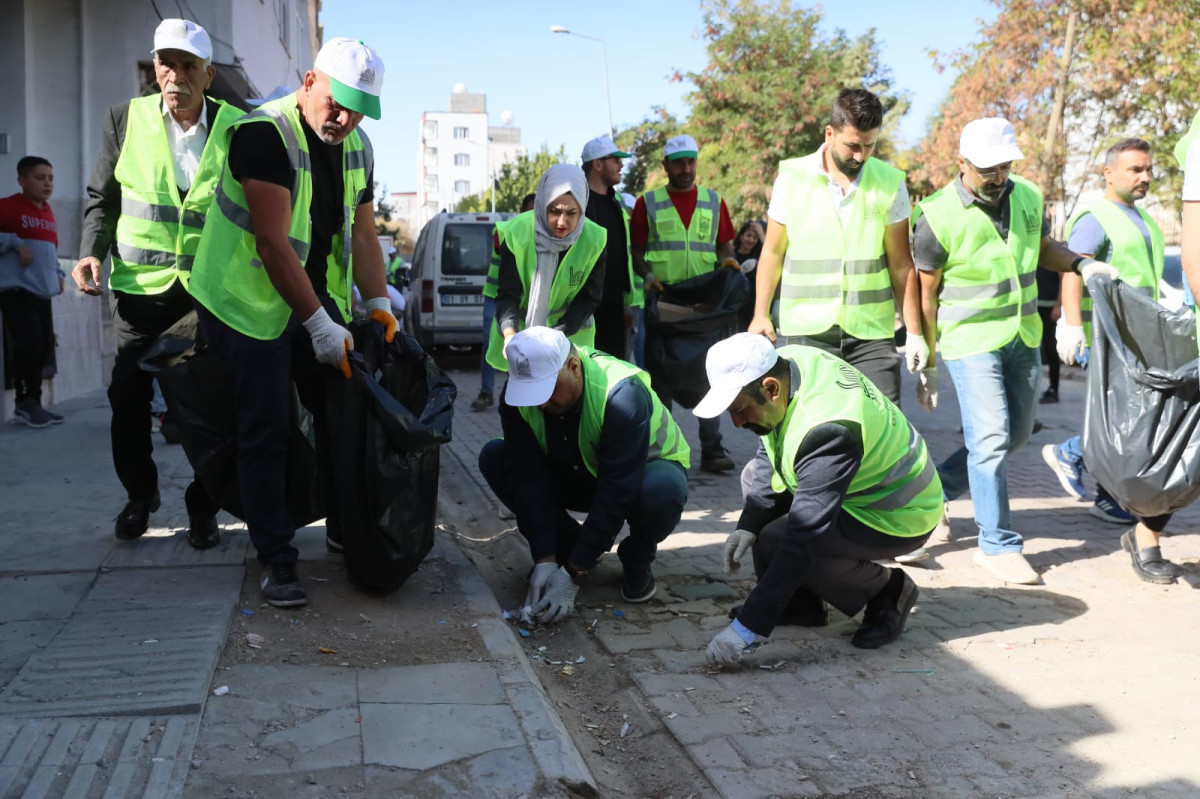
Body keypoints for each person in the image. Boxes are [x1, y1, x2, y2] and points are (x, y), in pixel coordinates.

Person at [187, 37, 392, 607]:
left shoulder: (359, 147)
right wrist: (321, 328)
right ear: (309, 82)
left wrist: (377, 304)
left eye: (358, 109)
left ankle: (343, 529)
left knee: (339, 414)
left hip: (311, 293)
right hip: (245, 301)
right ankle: (277, 559)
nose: (345, 118)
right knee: (266, 428)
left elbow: (365, 232)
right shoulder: (264, 133)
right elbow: (274, 244)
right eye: (336, 102)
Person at [911, 117, 1119, 585]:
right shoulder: (936, 215)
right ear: (961, 163)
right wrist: (926, 350)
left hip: (1022, 336)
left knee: (1015, 436)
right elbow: (924, 291)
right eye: (988, 169)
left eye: (1005, 166)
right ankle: (997, 544)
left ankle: (932, 493)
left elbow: (1044, 248)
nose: (998, 177)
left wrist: (1082, 264)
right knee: (988, 439)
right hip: (969, 342)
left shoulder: (1026, 194)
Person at [72, 19, 242, 548]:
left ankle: (203, 504)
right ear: (154, 67)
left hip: (207, 295)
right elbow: (103, 199)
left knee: (209, 409)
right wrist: (89, 253)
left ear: (208, 75)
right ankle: (140, 496)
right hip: (139, 294)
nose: (174, 75)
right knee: (127, 400)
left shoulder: (239, 127)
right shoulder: (125, 119)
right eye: (166, 63)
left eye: (188, 65)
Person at [694, 333, 941, 664]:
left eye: (739, 410)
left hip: (898, 510)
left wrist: (748, 629)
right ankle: (800, 602)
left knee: (779, 540)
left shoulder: (828, 428)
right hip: (861, 490)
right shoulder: (789, 361)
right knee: (754, 476)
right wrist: (748, 524)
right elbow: (772, 446)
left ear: (770, 389)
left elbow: (803, 538)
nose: (736, 423)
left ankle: (890, 591)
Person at [477, 326, 690, 622]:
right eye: (531, 392)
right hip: (576, 471)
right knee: (495, 457)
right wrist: (544, 557)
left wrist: (575, 573)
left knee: (661, 491)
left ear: (574, 367)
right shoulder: (517, 400)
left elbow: (618, 489)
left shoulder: (621, 393)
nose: (539, 403)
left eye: (547, 391)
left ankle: (637, 557)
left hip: (638, 476)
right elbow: (528, 480)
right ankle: (568, 546)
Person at [748, 89, 924, 407]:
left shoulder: (889, 182)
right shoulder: (791, 179)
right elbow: (772, 253)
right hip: (805, 333)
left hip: (870, 334)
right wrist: (761, 314)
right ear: (830, 133)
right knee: (806, 425)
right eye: (853, 146)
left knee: (883, 426)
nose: (861, 156)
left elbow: (902, 264)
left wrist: (914, 333)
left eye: (870, 146)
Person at [1043, 138, 1160, 530]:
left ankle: (1108, 499)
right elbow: (1075, 269)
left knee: (1125, 420)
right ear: (1108, 172)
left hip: (1136, 337)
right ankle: (1072, 452)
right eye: (1135, 169)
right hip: (1106, 336)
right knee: (1127, 420)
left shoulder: (1142, 218)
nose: (1145, 177)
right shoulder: (1095, 216)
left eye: (1148, 169)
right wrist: (1072, 324)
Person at [630, 133, 739, 473]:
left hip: (703, 303)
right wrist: (647, 275)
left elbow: (724, 245)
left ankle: (712, 447)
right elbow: (636, 251)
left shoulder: (712, 200)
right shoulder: (647, 204)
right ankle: (664, 449)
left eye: (691, 161)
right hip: (665, 301)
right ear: (666, 166)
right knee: (661, 376)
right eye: (679, 163)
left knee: (709, 373)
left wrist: (728, 262)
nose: (686, 168)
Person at [484, 166, 606, 373]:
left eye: (571, 213)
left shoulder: (595, 239)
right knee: (521, 402)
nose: (561, 221)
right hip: (521, 341)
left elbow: (589, 298)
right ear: (542, 205)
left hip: (570, 340)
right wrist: (510, 335)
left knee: (566, 401)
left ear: (582, 209)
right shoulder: (516, 232)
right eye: (554, 211)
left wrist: (556, 336)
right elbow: (508, 295)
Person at [0, 156, 63, 428]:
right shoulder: (8, 207)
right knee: (27, 345)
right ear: (22, 180)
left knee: (41, 348)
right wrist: (14, 243)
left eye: (50, 178)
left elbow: (52, 252)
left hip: (42, 292)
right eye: (39, 177)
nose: (47, 183)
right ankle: (24, 403)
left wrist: (59, 275)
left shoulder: (48, 213)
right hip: (16, 289)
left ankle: (34, 404)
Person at [472, 192, 536, 412]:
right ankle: (486, 391)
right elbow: (503, 245)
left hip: (522, 298)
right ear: (521, 212)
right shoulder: (505, 229)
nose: (533, 216)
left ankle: (519, 388)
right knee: (491, 343)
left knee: (523, 345)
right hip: (495, 295)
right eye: (530, 211)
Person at [581, 135, 635, 360]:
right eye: (616, 159)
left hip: (614, 304)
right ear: (598, 164)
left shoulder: (616, 203)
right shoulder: (578, 203)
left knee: (613, 366)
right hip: (585, 307)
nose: (621, 165)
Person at [1034, 266, 1061, 403]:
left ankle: (1054, 389)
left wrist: (1058, 305)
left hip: (1049, 306)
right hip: (1032, 305)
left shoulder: (1050, 250)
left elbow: (1064, 278)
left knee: (1050, 347)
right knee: (1033, 348)